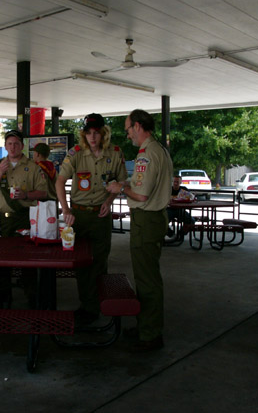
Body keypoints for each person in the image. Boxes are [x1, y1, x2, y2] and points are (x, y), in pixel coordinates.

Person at [106, 109, 173, 351]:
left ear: (137, 126)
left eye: (127, 130)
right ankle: (146, 326)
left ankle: (150, 335)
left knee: (147, 280)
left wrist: (119, 188)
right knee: (148, 276)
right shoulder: (159, 150)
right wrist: (127, 184)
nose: (128, 135)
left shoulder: (147, 155)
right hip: (153, 219)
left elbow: (141, 194)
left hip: (146, 220)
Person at [56, 113, 127, 325]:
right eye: (88, 133)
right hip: (78, 215)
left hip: (100, 215)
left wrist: (110, 200)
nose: (92, 137)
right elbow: (60, 181)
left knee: (99, 262)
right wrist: (66, 210)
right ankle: (87, 305)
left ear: (103, 133)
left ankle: (96, 306)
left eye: (96, 133)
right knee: (81, 263)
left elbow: (121, 181)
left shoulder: (114, 153)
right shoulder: (76, 153)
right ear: (84, 135)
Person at [0, 129, 48, 307]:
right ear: (5, 146)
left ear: (22, 146)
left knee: (27, 260)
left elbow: (43, 193)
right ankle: (4, 298)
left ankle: (32, 298)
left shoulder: (33, 166)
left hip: (24, 218)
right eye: (10, 144)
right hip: (2, 221)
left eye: (16, 144)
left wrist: (26, 194)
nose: (13, 147)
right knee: (1, 261)